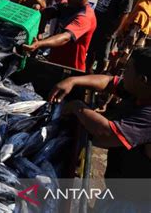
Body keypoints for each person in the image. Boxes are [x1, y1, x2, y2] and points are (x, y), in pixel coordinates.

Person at [49, 47, 151, 192]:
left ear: (142, 80)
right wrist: (73, 80)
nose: (123, 72)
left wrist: (78, 107)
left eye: (128, 69)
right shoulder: (141, 90)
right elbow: (110, 82)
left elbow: (105, 134)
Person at [23, 0, 96, 72]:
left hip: (70, 69)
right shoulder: (65, 4)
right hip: (54, 61)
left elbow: (65, 38)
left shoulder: (85, 17)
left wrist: (39, 44)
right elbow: (45, 14)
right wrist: (40, 32)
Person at [86, 0, 133, 73]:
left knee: (103, 57)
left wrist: (114, 33)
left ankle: (98, 76)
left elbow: (124, 15)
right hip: (96, 26)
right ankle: (87, 72)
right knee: (91, 51)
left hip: (108, 31)